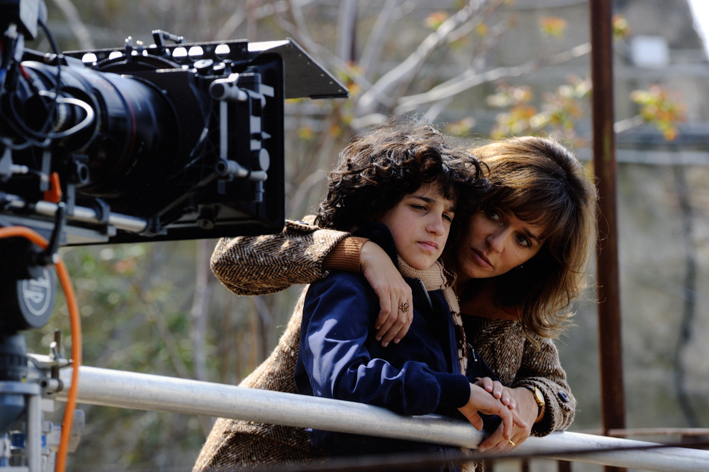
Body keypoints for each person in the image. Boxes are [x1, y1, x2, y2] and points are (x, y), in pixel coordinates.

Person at [194, 129, 596, 470]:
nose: (496, 243)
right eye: (494, 214)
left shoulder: (509, 312)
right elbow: (234, 254)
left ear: (537, 259)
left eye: (523, 240)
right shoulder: (388, 224)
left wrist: (531, 403)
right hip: (274, 456)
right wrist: (360, 253)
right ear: (471, 196)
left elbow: (558, 391)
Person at [292, 122, 526, 469]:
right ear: (375, 205)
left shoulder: (435, 298)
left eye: (447, 215)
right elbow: (340, 381)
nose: (437, 226)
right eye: (420, 207)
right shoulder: (346, 284)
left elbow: (459, 387)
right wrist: (454, 391)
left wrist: (494, 399)